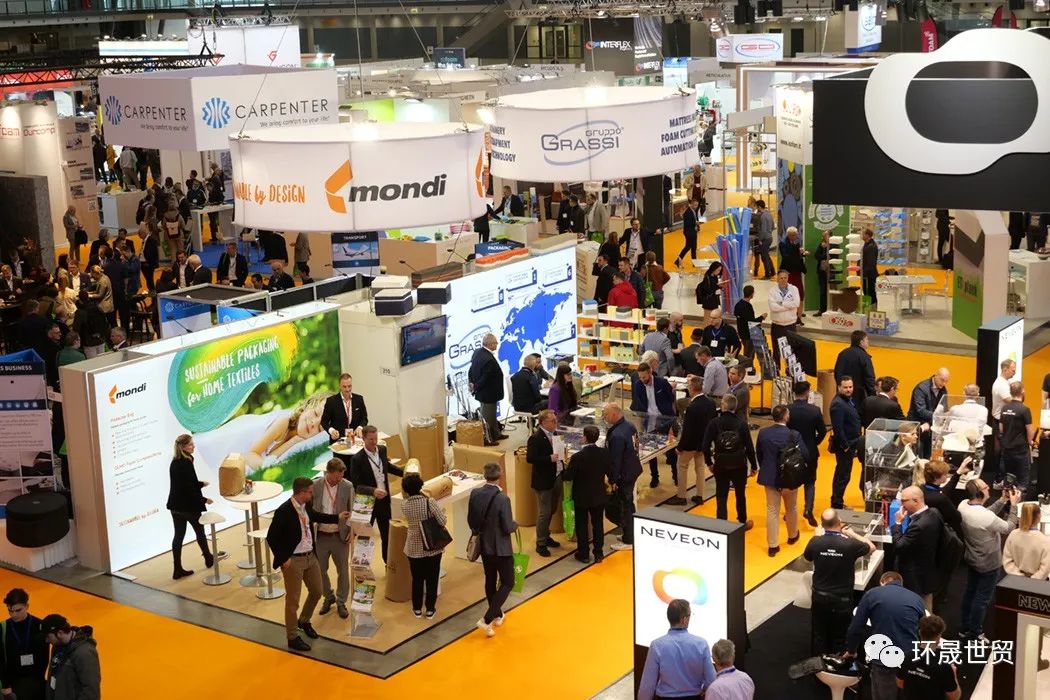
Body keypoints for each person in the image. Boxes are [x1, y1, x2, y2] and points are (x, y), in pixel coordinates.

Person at [265, 477, 349, 652]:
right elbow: (271, 537)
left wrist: (337, 517)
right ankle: (292, 637)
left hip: (311, 556)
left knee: (317, 591)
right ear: (301, 492)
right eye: (310, 492)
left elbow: (316, 516)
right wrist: (283, 559)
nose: (312, 494)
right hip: (293, 561)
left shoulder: (306, 506)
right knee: (293, 600)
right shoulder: (284, 511)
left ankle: (304, 620)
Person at [844, 571, 926, 700]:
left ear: (882, 582)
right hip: (910, 657)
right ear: (901, 583)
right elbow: (924, 630)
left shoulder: (872, 594)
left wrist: (851, 651)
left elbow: (856, 627)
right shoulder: (917, 599)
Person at [804, 509, 875, 654]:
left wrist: (816, 536)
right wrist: (852, 533)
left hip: (819, 596)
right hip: (842, 598)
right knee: (841, 635)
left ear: (822, 524)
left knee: (819, 633)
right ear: (839, 522)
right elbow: (871, 547)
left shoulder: (815, 541)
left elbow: (807, 557)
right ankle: (839, 663)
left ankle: (818, 662)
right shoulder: (849, 544)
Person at [958, 478, 1018, 642]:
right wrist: (1014, 505)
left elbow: (986, 514)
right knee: (982, 599)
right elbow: (1008, 527)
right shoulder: (984, 516)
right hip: (989, 563)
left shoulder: (963, 505)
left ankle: (964, 628)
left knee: (970, 593)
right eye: (985, 487)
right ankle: (975, 633)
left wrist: (1002, 500)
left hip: (972, 557)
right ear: (980, 493)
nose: (989, 488)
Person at [468, 462, 518, 637]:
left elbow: (471, 520)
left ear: (484, 475)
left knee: (490, 579)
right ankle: (487, 619)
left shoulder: (475, 494)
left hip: (484, 545)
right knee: (508, 582)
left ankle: (497, 614)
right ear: (500, 475)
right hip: (501, 548)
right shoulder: (503, 499)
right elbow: (507, 526)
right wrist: (515, 525)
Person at [637, 599, 716, 700]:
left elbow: (647, 685)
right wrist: (703, 689)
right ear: (684, 620)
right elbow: (711, 679)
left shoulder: (656, 645)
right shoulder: (701, 644)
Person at [349, 426, 405, 563]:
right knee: (364, 537)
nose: (374, 442)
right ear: (363, 439)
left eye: (375, 439)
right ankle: (361, 567)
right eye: (370, 439)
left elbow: (387, 467)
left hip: (384, 501)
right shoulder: (357, 459)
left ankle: (388, 564)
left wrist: (405, 473)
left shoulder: (382, 450)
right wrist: (373, 491)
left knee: (387, 535)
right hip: (366, 502)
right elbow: (357, 485)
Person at [166, 434, 218, 580]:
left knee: (178, 536)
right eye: (190, 444)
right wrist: (204, 500)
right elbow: (189, 489)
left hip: (175, 506)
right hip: (188, 507)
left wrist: (201, 484)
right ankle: (208, 559)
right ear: (183, 447)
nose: (193, 446)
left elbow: (184, 484)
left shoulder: (174, 462)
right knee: (200, 533)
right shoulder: (186, 463)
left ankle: (177, 569)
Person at [756, 405, 804, 557]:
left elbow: (759, 454)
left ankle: (773, 545)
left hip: (770, 478)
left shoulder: (763, 433)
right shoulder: (794, 435)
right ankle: (792, 535)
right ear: (786, 417)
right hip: (790, 478)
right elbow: (804, 454)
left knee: (772, 510)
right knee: (791, 507)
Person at [702, 394, 756, 527]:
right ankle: (742, 521)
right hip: (739, 464)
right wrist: (754, 466)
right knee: (740, 494)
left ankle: (721, 525)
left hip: (721, 464)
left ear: (723, 406)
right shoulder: (741, 424)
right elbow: (749, 447)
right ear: (735, 407)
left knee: (721, 495)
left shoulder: (714, 423)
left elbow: (705, 446)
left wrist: (709, 463)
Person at [311, 459, 354, 620]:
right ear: (328, 472)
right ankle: (328, 597)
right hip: (320, 536)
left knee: (343, 570)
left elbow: (353, 510)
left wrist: (351, 531)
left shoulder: (347, 486)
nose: (340, 478)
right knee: (319, 570)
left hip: (340, 536)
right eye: (337, 475)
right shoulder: (315, 486)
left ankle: (341, 601)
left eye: (342, 475)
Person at [401, 472, 448, 618]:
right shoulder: (429, 502)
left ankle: (416, 608)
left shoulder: (405, 505)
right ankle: (430, 609)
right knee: (432, 579)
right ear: (421, 486)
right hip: (431, 546)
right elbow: (442, 521)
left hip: (413, 547)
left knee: (417, 579)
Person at [562, 425, 609, 563]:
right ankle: (599, 553)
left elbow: (568, 477)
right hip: (599, 494)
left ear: (584, 438)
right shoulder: (604, 453)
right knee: (598, 524)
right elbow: (609, 471)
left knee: (581, 525)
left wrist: (564, 468)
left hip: (581, 496)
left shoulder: (577, 457)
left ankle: (583, 554)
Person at [892, 486, 945, 606]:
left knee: (917, 610)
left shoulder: (919, 525)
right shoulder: (934, 512)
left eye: (904, 501)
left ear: (916, 501)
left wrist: (897, 523)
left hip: (916, 578)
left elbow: (899, 546)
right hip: (928, 571)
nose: (901, 504)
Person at [673, 375, 717, 507]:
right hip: (704, 442)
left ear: (692, 388)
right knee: (700, 467)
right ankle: (699, 495)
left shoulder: (692, 407)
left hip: (690, 444)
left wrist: (680, 447)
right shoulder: (711, 403)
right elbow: (713, 424)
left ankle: (681, 496)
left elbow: (687, 431)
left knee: (682, 466)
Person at [631, 361, 677, 488]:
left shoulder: (662, 382)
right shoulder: (638, 385)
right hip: (649, 421)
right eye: (640, 377)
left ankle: (676, 474)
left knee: (671, 449)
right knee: (651, 451)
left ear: (650, 373)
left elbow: (670, 398)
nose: (642, 380)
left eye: (644, 377)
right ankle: (654, 477)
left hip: (665, 420)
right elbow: (639, 402)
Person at [604, 402, 642, 551]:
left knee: (625, 506)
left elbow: (616, 460)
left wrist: (613, 479)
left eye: (606, 414)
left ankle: (628, 540)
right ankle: (629, 534)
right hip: (632, 470)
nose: (605, 417)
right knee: (628, 504)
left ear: (614, 414)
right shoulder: (630, 426)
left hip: (624, 475)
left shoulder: (617, 435)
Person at [788, 381, 827, 526]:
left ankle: (789, 511)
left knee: (790, 482)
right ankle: (808, 509)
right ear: (807, 392)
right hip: (810, 451)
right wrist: (814, 443)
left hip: (791, 451)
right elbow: (822, 432)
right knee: (810, 482)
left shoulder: (787, 409)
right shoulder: (815, 410)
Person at [526, 409, 564, 558]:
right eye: (553, 421)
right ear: (543, 423)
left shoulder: (555, 434)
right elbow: (530, 458)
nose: (556, 423)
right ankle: (541, 543)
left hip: (556, 476)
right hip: (543, 481)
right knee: (544, 512)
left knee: (552, 509)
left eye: (556, 420)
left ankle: (546, 536)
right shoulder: (535, 438)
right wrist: (549, 458)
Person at [896, 615, 961, 700]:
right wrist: (954, 674)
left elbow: (900, 683)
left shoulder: (905, 657)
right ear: (939, 637)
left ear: (919, 632)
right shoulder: (944, 667)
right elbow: (954, 697)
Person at [1, 588, 48, 700]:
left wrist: (38, 681)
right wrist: (6, 685)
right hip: (13, 683)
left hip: (36, 681)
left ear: (27, 606)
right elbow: (1, 659)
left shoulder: (39, 625)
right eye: (10, 611)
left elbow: (44, 657)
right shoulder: (3, 627)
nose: (14, 615)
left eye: (18, 610)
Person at [39, 614, 100, 700]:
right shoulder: (57, 646)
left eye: (48, 636)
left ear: (60, 633)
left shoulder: (85, 653)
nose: (46, 640)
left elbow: (90, 690)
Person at [829, 376, 862, 510]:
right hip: (845, 446)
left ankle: (836, 501)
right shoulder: (838, 404)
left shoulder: (847, 400)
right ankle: (837, 504)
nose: (848, 390)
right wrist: (846, 446)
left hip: (850, 443)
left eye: (850, 387)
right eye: (845, 387)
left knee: (841, 473)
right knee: (843, 475)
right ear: (839, 387)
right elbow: (838, 428)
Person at [468, 333, 505, 445]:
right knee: (488, 417)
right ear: (490, 344)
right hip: (489, 393)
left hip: (482, 392)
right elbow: (486, 378)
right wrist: (475, 386)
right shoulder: (488, 359)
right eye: (495, 343)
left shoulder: (477, 352)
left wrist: (472, 383)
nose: (497, 344)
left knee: (492, 416)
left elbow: (471, 370)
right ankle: (488, 439)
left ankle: (496, 434)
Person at [996, 381, 1034, 493]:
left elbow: (1001, 429)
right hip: (1020, 449)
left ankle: (1007, 498)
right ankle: (1019, 500)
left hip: (1006, 448)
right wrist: (1030, 442)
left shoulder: (1004, 408)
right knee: (1022, 479)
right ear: (1022, 391)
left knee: (1008, 477)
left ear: (1010, 392)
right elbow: (1030, 430)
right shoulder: (1025, 409)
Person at [908, 368, 949, 459]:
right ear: (935, 376)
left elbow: (944, 409)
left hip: (931, 427)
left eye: (946, 381)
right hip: (917, 427)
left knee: (928, 457)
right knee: (917, 456)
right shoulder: (921, 388)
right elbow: (921, 411)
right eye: (942, 380)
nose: (944, 383)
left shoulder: (943, 390)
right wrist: (940, 417)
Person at [1003, 502, 1050, 579]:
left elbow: (1007, 561)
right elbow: (1045, 569)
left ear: (1022, 516)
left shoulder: (1013, 534)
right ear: (1039, 516)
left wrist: (1019, 576)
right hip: (1037, 583)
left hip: (1014, 581)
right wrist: (1032, 580)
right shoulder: (1045, 541)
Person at [320, 373, 368, 446]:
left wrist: (360, 427)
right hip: (338, 441)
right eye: (344, 387)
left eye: (349, 386)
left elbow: (364, 418)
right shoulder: (331, 401)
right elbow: (324, 421)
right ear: (339, 386)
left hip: (356, 440)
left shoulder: (359, 399)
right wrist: (332, 431)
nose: (347, 389)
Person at [767, 270, 800, 371]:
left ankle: (790, 371)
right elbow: (773, 307)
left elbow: (796, 303)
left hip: (790, 325)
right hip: (777, 325)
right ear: (777, 278)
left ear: (788, 278)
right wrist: (789, 306)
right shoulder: (772, 291)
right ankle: (776, 370)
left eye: (785, 278)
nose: (783, 280)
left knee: (791, 349)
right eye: (781, 278)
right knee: (776, 350)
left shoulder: (794, 289)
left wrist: (781, 303)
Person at [834, 331, 877, 407]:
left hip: (842, 394)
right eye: (866, 339)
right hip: (859, 396)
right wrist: (873, 395)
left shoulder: (843, 353)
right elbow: (869, 377)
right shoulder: (864, 356)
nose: (868, 342)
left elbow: (837, 373)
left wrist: (841, 387)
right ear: (861, 342)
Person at [72, 291, 108, 359]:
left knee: (92, 362)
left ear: (80, 300)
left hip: (88, 341)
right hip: (100, 339)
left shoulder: (80, 312)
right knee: (102, 360)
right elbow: (105, 322)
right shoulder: (98, 308)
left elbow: (76, 329)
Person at [734, 284, 765, 361]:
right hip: (748, 334)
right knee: (749, 355)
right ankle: (747, 367)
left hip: (741, 332)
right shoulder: (747, 306)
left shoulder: (738, 304)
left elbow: (737, 315)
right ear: (751, 294)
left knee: (748, 353)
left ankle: (749, 366)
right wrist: (762, 317)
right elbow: (751, 321)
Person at [778, 226, 808, 306]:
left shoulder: (795, 243)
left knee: (799, 292)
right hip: (788, 271)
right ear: (789, 235)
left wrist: (803, 254)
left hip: (797, 270)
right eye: (794, 235)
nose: (796, 236)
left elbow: (797, 255)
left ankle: (798, 309)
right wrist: (796, 250)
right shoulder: (783, 243)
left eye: (796, 235)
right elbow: (786, 257)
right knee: (789, 292)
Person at [675, 198, 702, 269]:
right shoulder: (688, 212)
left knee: (694, 247)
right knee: (688, 247)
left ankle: (694, 262)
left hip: (693, 231)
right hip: (689, 232)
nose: (696, 206)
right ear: (691, 204)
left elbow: (695, 219)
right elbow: (687, 223)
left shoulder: (693, 211)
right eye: (695, 205)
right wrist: (695, 223)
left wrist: (697, 226)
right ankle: (678, 260)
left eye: (697, 205)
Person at [753, 199, 774, 278]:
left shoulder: (763, 216)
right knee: (767, 255)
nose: (756, 208)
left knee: (764, 257)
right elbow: (772, 226)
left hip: (764, 239)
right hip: (770, 237)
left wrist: (760, 239)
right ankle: (772, 271)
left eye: (756, 207)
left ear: (759, 207)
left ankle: (767, 274)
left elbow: (763, 230)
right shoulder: (769, 214)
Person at [991, 358, 1016, 422]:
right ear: (1005, 369)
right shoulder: (1001, 384)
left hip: (1003, 419)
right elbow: (1010, 401)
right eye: (1013, 371)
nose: (1014, 373)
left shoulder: (1006, 382)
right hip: (1000, 420)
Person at [814, 230, 831, 316]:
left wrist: (826, 249)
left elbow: (833, 256)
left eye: (825, 235)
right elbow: (816, 255)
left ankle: (830, 309)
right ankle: (822, 310)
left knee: (831, 291)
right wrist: (823, 250)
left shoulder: (834, 244)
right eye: (823, 235)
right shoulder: (821, 244)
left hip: (831, 271)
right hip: (822, 271)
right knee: (822, 291)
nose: (823, 237)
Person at [861, 227, 879, 306]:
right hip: (866, 274)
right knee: (867, 292)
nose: (861, 235)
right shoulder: (866, 244)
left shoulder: (871, 246)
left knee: (870, 293)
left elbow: (870, 263)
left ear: (867, 235)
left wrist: (864, 274)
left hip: (869, 275)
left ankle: (873, 309)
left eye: (863, 234)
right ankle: (869, 308)